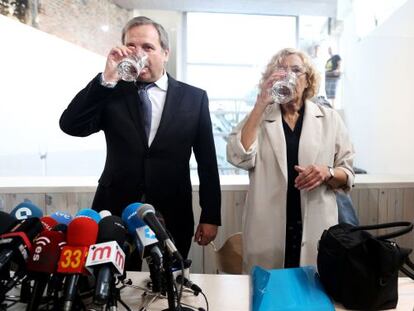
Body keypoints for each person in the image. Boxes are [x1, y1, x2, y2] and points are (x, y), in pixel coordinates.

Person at [59, 16, 221, 260]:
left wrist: (210, 216)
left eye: (147, 47)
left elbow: (207, 162)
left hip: (171, 211)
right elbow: (71, 125)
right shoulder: (112, 92)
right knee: (116, 284)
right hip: (115, 210)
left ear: (165, 53)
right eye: (131, 46)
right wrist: (107, 79)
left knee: (168, 285)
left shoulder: (194, 98)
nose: (138, 53)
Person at [226, 48, 355, 272]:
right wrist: (260, 104)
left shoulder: (330, 119)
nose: (288, 75)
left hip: (315, 224)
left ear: (308, 81)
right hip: (268, 228)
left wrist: (328, 172)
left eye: (296, 70)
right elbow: (239, 156)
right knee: (269, 298)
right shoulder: (259, 117)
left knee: (313, 297)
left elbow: (348, 173)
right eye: (281, 70)